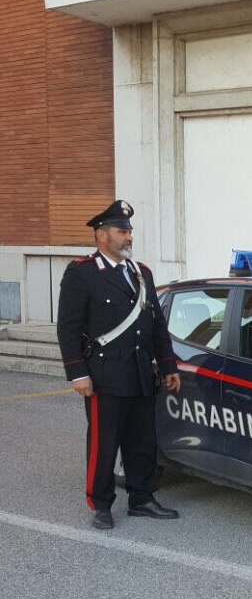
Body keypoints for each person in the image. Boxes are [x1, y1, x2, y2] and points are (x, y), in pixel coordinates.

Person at [57, 200, 181, 530]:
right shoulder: (82, 272)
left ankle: (141, 498)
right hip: (104, 375)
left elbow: (155, 324)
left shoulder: (142, 273)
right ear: (101, 235)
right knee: (104, 441)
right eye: (121, 231)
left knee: (142, 441)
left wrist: (168, 365)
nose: (128, 237)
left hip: (141, 371)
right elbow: (68, 327)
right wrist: (77, 372)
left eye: (129, 232)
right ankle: (100, 503)